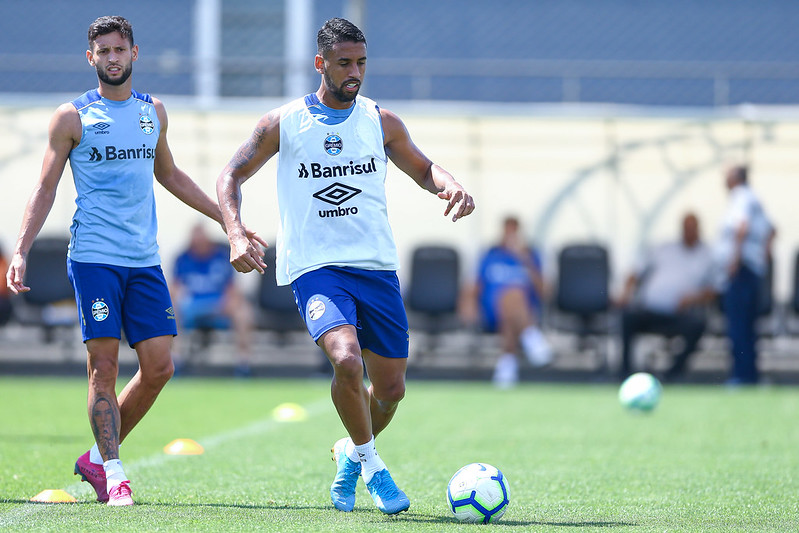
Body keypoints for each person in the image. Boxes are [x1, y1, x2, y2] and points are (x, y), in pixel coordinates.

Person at [216, 18, 475, 515]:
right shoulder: (283, 123)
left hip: (375, 268)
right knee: (347, 359)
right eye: (344, 63)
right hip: (316, 267)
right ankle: (375, 468)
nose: (354, 72)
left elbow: (423, 168)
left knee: (392, 389)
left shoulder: (381, 121)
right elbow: (231, 173)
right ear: (320, 64)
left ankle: (351, 454)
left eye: (361, 63)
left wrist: (451, 184)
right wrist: (234, 231)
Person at [5, 16, 264, 507]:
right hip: (94, 258)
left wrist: (230, 222)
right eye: (103, 51)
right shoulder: (71, 117)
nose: (112, 58)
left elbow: (171, 175)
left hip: (144, 260)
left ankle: (97, 459)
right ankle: (116, 474)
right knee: (103, 364)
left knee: (160, 366)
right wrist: (20, 249)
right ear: (91, 58)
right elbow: (44, 188)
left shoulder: (153, 112)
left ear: (134, 53)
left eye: (119, 49)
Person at [616, 212, 716, 381]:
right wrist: (625, 294)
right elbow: (635, 272)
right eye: (685, 227)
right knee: (627, 317)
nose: (688, 231)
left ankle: (672, 374)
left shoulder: (707, 255)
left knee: (698, 324)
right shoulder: (664, 248)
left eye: (692, 227)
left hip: (679, 313)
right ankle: (625, 372)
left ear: (699, 229)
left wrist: (693, 298)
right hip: (650, 310)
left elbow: (714, 290)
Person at [459, 216, 552, 388]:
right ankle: (531, 336)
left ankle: (507, 365)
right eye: (507, 232)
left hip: (524, 312)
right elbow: (473, 286)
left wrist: (525, 259)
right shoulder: (491, 255)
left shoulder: (531, 257)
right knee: (510, 294)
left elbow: (545, 292)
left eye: (514, 232)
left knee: (512, 306)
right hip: (492, 310)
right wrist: (468, 306)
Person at [715, 165, 775, 385]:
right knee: (748, 326)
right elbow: (772, 229)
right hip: (751, 270)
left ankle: (741, 376)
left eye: (727, 175)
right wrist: (764, 255)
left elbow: (742, 226)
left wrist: (734, 260)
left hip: (741, 271)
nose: (723, 179)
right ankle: (750, 375)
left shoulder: (740, 196)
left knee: (738, 326)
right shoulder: (753, 198)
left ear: (736, 178)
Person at [171, 223, 255, 377]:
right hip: (192, 305)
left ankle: (243, 364)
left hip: (219, 304)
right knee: (171, 311)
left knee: (243, 312)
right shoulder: (183, 258)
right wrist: (179, 297)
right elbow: (174, 288)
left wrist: (230, 301)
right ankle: (176, 362)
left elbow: (233, 287)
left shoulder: (221, 256)